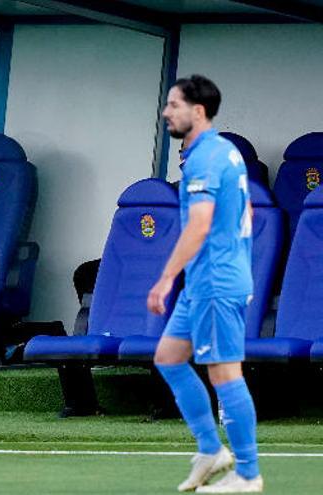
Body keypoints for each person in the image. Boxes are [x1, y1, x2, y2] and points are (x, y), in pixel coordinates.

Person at [148, 75, 262, 493]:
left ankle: (248, 473)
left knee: (225, 373)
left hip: (215, 281)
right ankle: (211, 450)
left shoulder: (206, 158)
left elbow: (199, 224)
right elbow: (244, 208)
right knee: (168, 358)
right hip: (204, 282)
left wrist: (164, 279)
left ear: (197, 111)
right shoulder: (224, 152)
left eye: (174, 105)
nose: (166, 112)